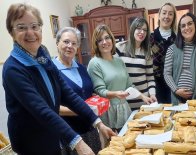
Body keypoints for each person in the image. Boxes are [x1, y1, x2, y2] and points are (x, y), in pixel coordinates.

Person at [3, 3, 115, 155]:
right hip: (30, 141)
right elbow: (42, 110)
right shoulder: (13, 69)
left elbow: (68, 94)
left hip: (51, 134)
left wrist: (98, 122)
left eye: (34, 26)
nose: (30, 32)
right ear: (12, 32)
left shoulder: (43, 58)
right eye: (21, 27)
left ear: (41, 29)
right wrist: (78, 143)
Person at [87, 24, 151, 133]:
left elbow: (129, 86)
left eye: (107, 38)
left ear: (112, 39)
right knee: (112, 147)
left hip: (124, 110)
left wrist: (143, 97)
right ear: (96, 44)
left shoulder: (119, 61)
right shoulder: (94, 63)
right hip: (107, 113)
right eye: (100, 40)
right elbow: (100, 90)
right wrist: (116, 94)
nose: (104, 42)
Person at [52, 27, 101, 154]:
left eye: (74, 43)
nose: (70, 46)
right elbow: (52, 107)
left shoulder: (81, 67)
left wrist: (98, 101)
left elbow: (87, 92)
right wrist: (82, 110)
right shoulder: (51, 71)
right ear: (57, 43)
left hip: (90, 128)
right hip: (71, 134)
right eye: (66, 42)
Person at [164, 12, 196, 105]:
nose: (186, 28)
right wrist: (176, 90)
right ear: (180, 30)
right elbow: (167, 74)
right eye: (183, 26)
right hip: (177, 99)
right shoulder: (171, 49)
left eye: (190, 23)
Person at [116, 17, 157, 110]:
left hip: (144, 100)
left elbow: (150, 77)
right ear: (133, 29)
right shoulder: (119, 47)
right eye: (139, 28)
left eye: (145, 30)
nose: (142, 32)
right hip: (125, 101)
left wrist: (152, 94)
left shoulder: (148, 52)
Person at [150, 2, 177, 104]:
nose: (167, 16)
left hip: (174, 85)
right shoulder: (150, 38)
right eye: (164, 13)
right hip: (155, 85)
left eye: (170, 14)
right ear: (159, 15)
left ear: (173, 17)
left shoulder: (178, 39)